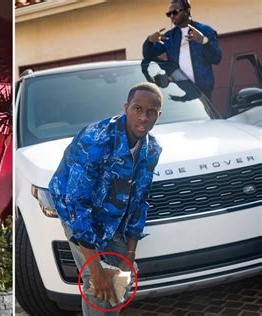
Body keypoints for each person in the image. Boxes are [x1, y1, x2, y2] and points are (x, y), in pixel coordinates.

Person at [48, 82, 163, 315]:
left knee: (120, 281)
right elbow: (76, 203)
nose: (143, 117)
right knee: (100, 287)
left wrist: (129, 255)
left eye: (151, 112)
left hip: (113, 217)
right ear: (126, 107)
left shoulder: (152, 150)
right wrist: (95, 268)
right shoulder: (96, 139)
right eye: (137, 109)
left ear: (158, 115)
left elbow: (140, 201)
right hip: (77, 212)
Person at [142, 0, 222, 100]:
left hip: (203, 91)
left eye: (175, 12)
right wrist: (149, 41)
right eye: (169, 14)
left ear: (187, 11)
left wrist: (204, 41)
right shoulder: (169, 36)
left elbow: (216, 58)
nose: (171, 16)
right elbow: (148, 56)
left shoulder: (206, 31)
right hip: (181, 91)